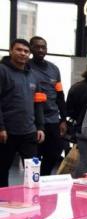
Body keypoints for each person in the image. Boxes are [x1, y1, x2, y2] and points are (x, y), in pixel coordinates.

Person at [0, 38, 45, 187]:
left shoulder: (33, 76)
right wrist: (1, 128)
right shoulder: (2, 71)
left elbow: (38, 103)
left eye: (26, 51)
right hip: (7, 132)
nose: (23, 53)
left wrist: (40, 127)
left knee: (33, 171)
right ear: (10, 51)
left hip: (29, 131)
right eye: (19, 50)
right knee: (2, 170)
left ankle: (32, 202)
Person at [28, 36, 67, 176]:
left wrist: (63, 118)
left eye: (43, 47)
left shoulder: (54, 69)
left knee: (54, 153)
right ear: (31, 48)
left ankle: (43, 177)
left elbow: (60, 95)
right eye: (37, 47)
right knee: (34, 157)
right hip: (33, 121)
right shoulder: (26, 67)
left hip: (52, 120)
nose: (40, 49)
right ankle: (33, 182)